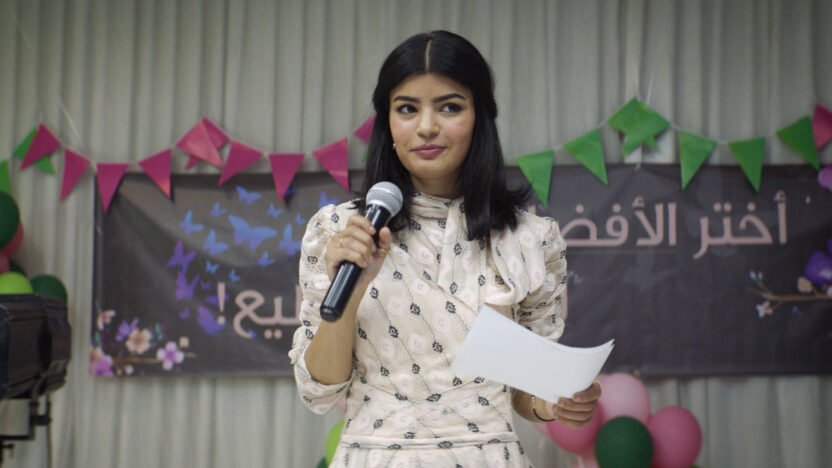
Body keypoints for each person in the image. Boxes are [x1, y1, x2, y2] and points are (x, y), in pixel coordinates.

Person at [289, 30, 600, 467]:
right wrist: (353, 288)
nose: (426, 127)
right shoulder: (339, 231)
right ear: (387, 123)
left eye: (449, 107)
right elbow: (317, 392)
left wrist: (554, 403)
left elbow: (526, 392)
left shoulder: (530, 238)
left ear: (480, 117)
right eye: (407, 109)